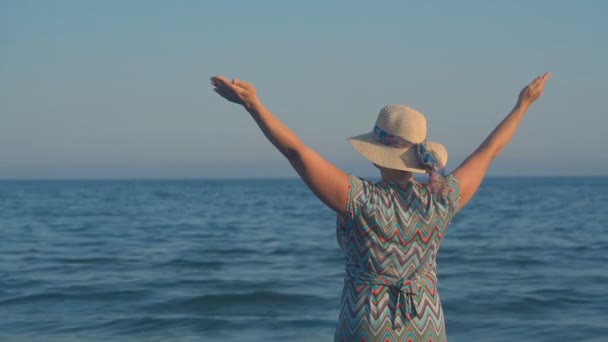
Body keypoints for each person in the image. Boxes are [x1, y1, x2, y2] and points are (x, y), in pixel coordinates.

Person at [211, 72, 551, 342]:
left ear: (377, 153)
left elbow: (297, 153)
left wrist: (254, 106)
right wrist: (522, 105)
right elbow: (488, 151)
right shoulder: (441, 197)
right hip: (427, 325)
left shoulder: (359, 199)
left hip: (367, 326)